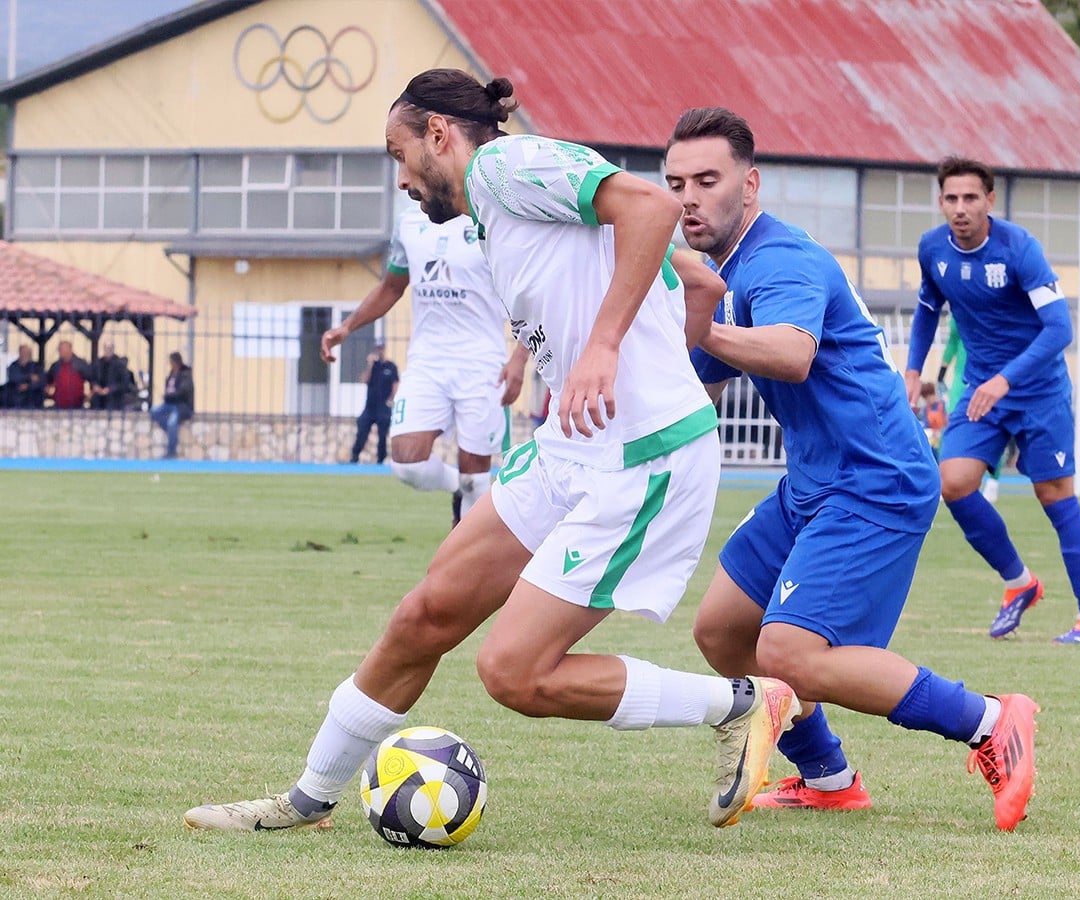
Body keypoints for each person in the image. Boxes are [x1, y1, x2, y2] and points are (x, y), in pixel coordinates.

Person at [185, 69, 797, 834]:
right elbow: (700, 285)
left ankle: (741, 702)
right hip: (569, 446)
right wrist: (651, 355)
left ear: (440, 134)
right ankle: (304, 801)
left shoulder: (507, 168)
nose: (401, 178)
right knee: (425, 615)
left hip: (637, 458)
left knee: (512, 672)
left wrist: (611, 352)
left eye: (399, 154)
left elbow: (652, 205)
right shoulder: (492, 216)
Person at [665, 107, 1038, 831]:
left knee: (788, 652)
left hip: (876, 480)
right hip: (813, 482)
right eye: (675, 181)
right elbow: (696, 384)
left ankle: (993, 722)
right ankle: (829, 776)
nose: (688, 197)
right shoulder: (726, 274)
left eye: (707, 179)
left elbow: (791, 352)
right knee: (722, 632)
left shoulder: (779, 260)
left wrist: (695, 322)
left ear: (750, 184)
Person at [905, 156, 1080, 645]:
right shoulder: (933, 249)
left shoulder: (1020, 249)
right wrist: (912, 371)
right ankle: (1020, 583)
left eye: (971, 198)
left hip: (1037, 390)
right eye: (951, 198)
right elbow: (927, 311)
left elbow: (1060, 329)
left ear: (989, 201)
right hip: (982, 392)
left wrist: (1004, 380)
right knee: (952, 483)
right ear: (940, 202)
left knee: (1054, 496)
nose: (960, 208)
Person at [322, 206, 529, 525]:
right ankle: (464, 488)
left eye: (406, 159)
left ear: (439, 152)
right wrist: (347, 327)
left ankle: (467, 564)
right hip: (426, 362)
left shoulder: (492, 215)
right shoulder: (408, 221)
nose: (403, 178)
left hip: (483, 365)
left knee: (476, 475)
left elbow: (527, 292)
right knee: (407, 464)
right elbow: (391, 287)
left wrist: (519, 358)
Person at [939, 317, 1000, 502]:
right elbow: (952, 342)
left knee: (994, 429)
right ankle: (944, 479)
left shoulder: (992, 309)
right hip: (960, 378)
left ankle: (993, 483)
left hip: (988, 377)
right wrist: (941, 373)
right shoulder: (956, 315)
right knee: (949, 426)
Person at [347, 341, 400, 465]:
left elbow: (395, 384)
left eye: (381, 348)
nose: (379, 351)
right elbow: (365, 380)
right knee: (362, 430)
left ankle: (381, 459)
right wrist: (370, 365)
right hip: (370, 406)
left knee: (382, 435)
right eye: (378, 348)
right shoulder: (373, 366)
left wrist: (391, 400)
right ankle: (355, 456)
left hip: (383, 406)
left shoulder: (391, 366)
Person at [150, 351, 194, 459]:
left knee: (172, 422)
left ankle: (171, 451)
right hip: (169, 404)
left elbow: (183, 391)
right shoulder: (171, 374)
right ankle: (171, 433)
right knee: (154, 411)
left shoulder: (185, 375)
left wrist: (170, 396)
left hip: (181, 406)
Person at [45, 340, 91, 409]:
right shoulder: (55, 365)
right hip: (59, 406)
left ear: (70, 349)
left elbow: (91, 379)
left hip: (77, 406)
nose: (60, 351)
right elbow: (48, 381)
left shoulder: (81, 364)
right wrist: (49, 392)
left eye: (63, 349)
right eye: (60, 349)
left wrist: (90, 395)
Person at [90, 341, 133, 411]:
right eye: (106, 348)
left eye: (110, 348)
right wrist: (96, 386)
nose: (108, 350)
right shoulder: (98, 363)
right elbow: (93, 378)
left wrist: (110, 389)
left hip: (115, 399)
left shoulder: (120, 365)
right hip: (99, 399)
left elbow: (124, 383)